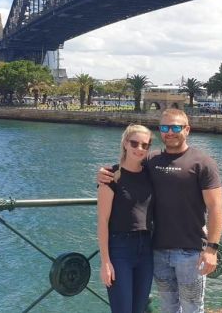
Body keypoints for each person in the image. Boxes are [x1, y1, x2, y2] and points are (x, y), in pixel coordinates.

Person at [98, 109, 222, 313]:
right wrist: (104, 173)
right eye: (165, 127)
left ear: (187, 129)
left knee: (193, 308)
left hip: (191, 252)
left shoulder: (203, 162)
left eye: (176, 127)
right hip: (157, 251)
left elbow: (216, 206)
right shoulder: (151, 161)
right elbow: (128, 170)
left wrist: (212, 249)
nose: (170, 132)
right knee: (168, 308)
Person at [97, 124, 155, 313]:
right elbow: (103, 222)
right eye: (134, 143)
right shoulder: (110, 177)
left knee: (139, 309)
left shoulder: (150, 174)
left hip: (146, 249)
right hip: (120, 250)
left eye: (144, 145)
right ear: (125, 143)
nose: (139, 149)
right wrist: (105, 262)